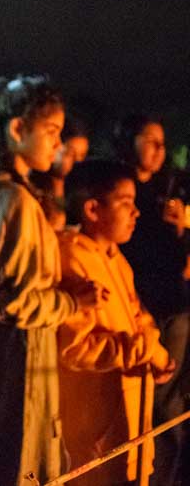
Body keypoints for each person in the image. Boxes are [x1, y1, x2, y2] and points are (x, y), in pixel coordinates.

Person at [0, 76, 102, 485]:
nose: (58, 144)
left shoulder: (5, 192)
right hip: (15, 354)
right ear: (18, 130)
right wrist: (72, 302)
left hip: (15, 349)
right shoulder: (10, 200)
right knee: (17, 463)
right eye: (51, 131)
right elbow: (11, 302)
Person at [58, 159, 175, 485]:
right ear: (92, 209)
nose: (136, 213)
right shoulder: (72, 257)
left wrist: (157, 354)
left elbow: (140, 319)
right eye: (125, 203)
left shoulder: (116, 259)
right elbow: (74, 348)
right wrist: (140, 349)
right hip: (97, 425)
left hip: (134, 415)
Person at [115, 114, 190, 485]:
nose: (160, 149)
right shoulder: (121, 190)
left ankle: (167, 473)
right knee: (133, 401)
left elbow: (175, 257)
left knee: (165, 397)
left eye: (164, 142)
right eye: (151, 140)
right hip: (131, 309)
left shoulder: (169, 188)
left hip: (170, 308)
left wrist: (179, 231)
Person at [29, 117, 90, 230]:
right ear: (54, 146)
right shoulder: (33, 190)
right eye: (69, 153)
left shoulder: (80, 192)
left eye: (82, 155)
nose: (77, 161)